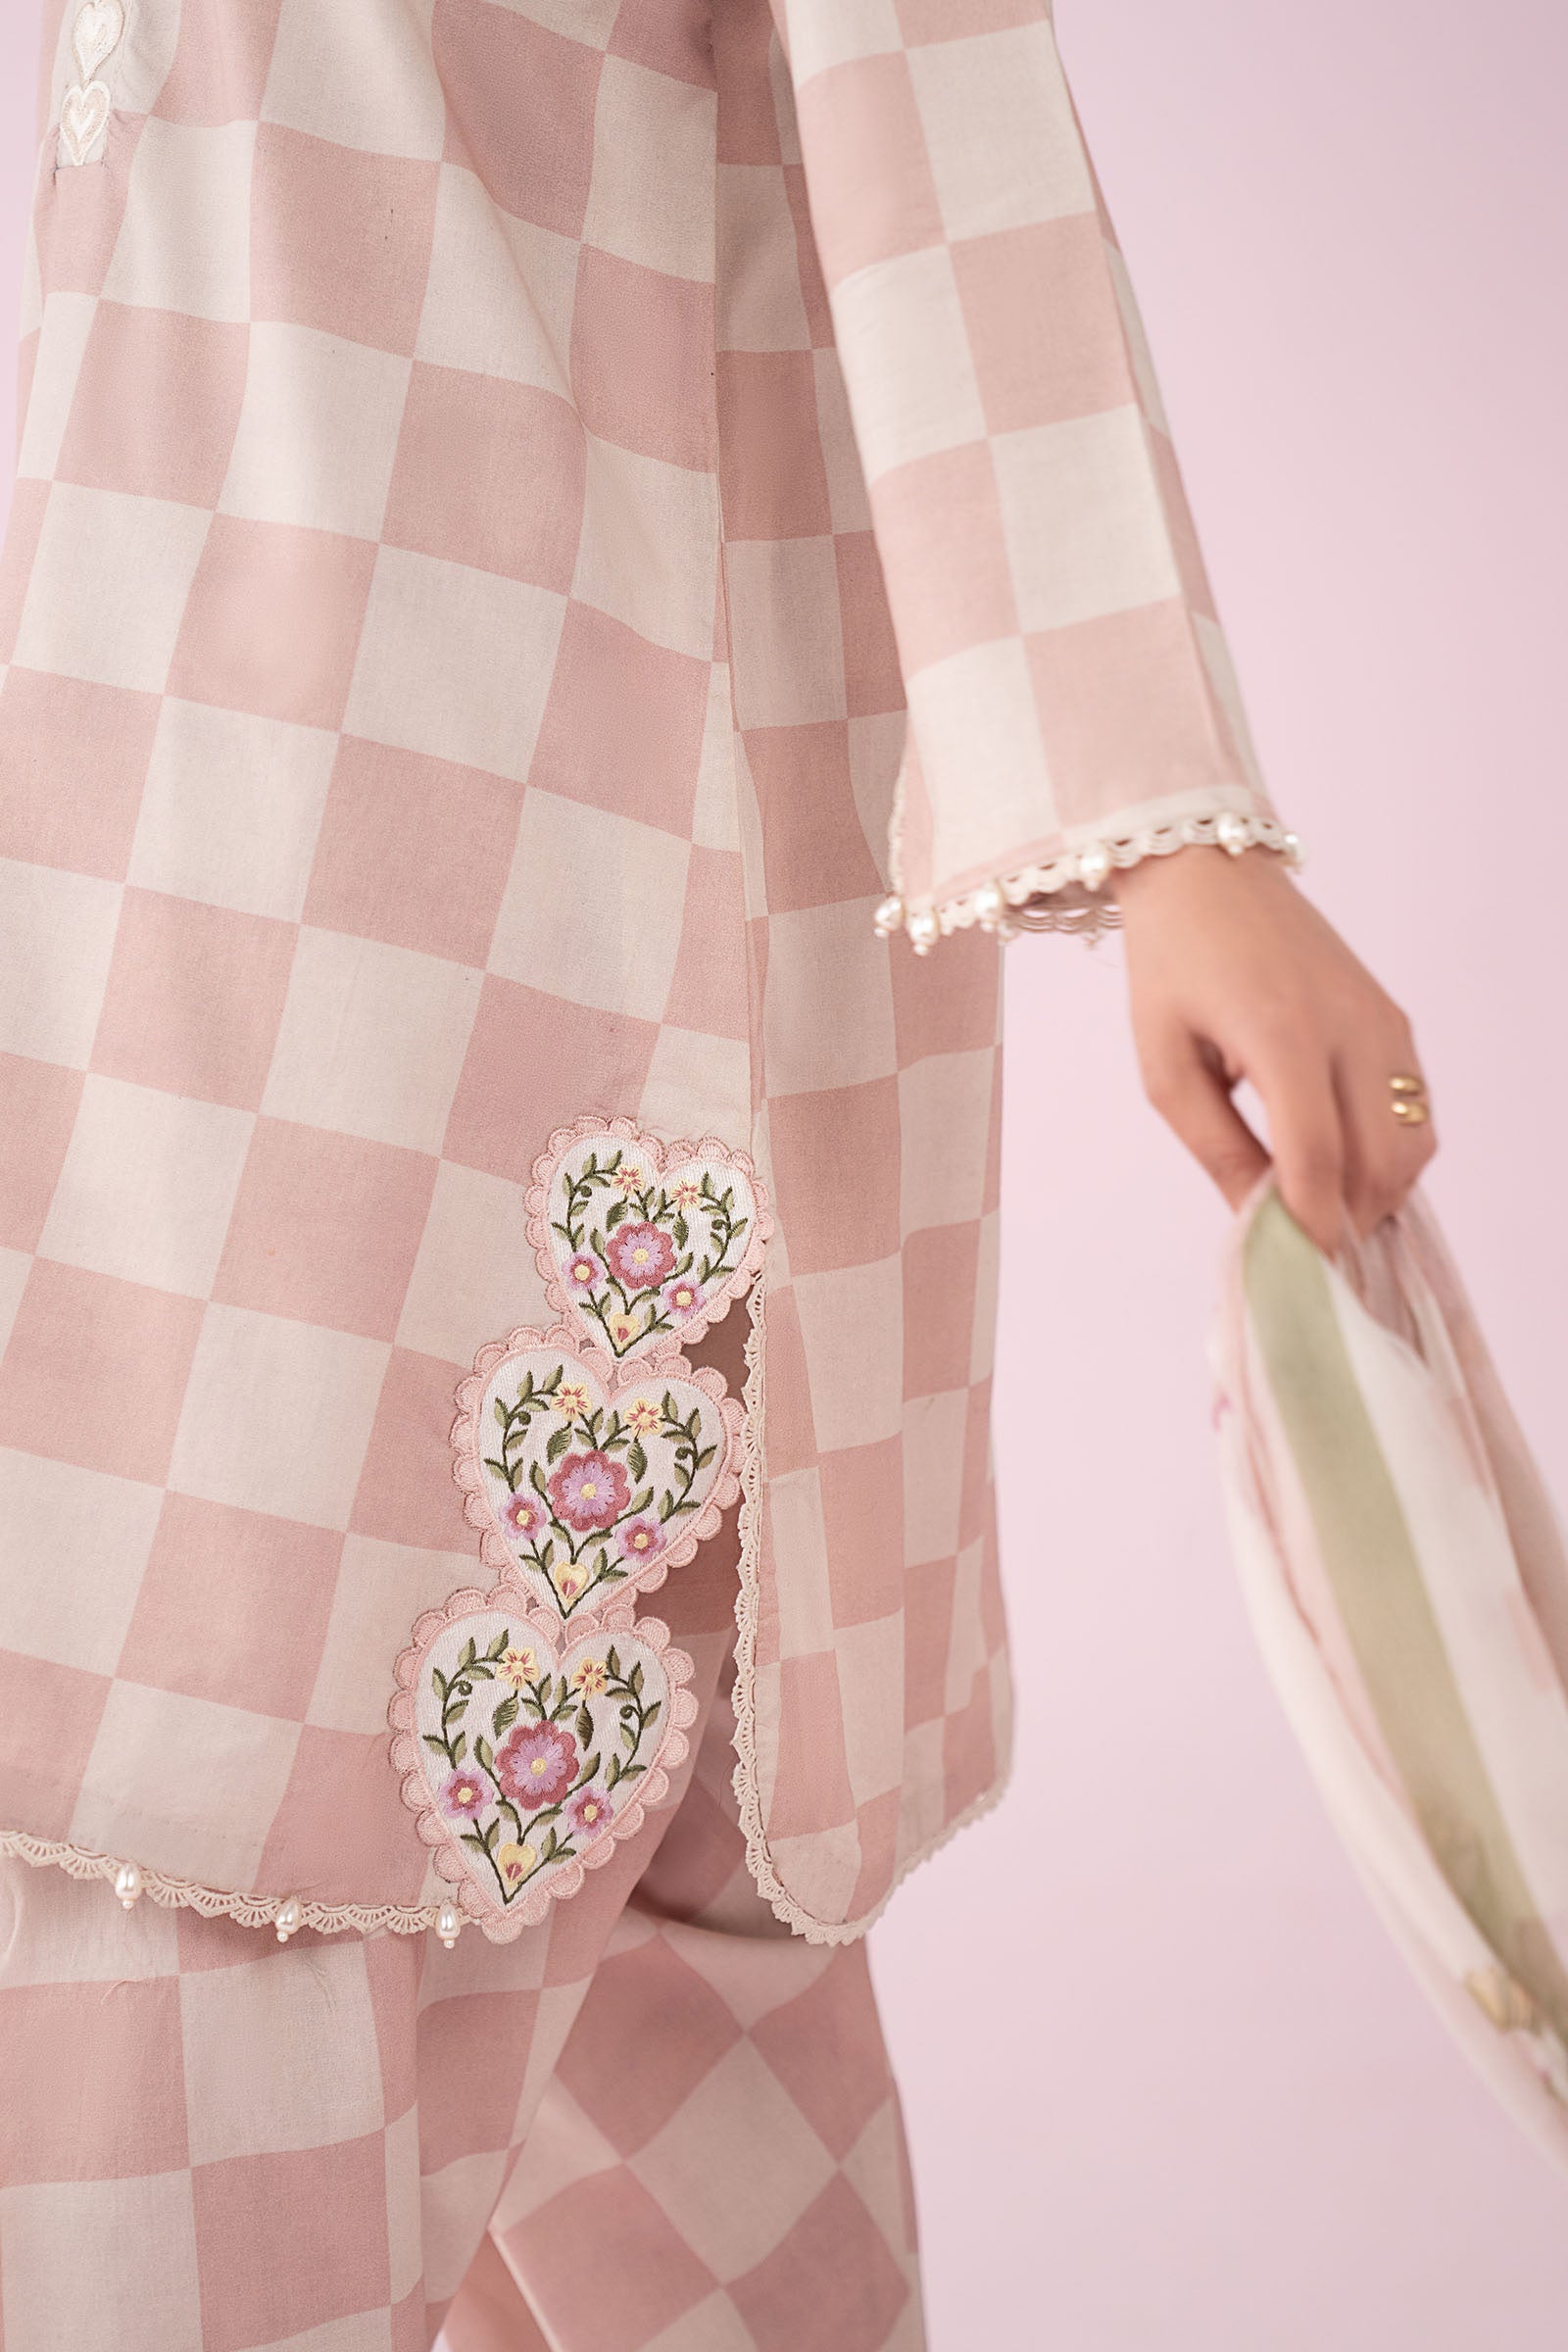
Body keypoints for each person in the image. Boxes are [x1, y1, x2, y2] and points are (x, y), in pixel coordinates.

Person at [0, 1, 1435, 2345]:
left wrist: (1164, 822)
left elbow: (931, 92)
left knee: (245, 1949)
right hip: (150, 920)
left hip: (481, 932)